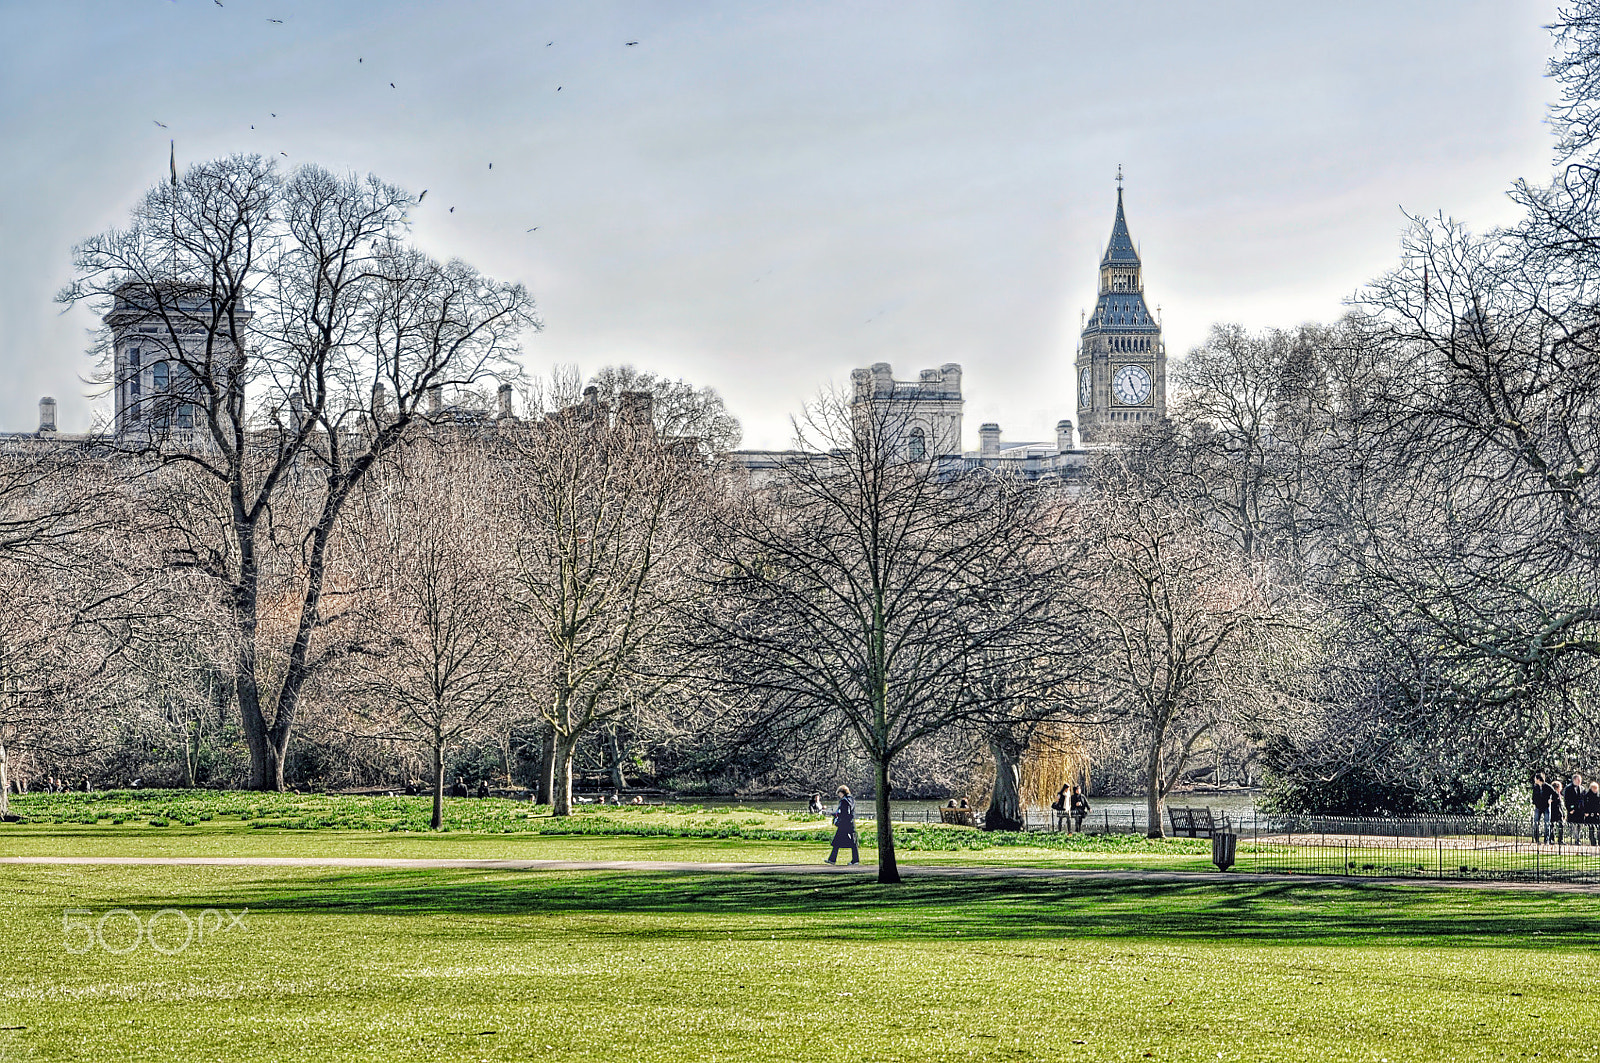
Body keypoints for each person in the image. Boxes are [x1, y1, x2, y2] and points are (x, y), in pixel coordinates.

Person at [825, 785, 859, 865]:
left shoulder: (844, 801)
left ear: (842, 792)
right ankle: (855, 860)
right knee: (853, 842)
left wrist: (836, 815)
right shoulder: (852, 799)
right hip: (850, 823)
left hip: (844, 824)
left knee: (837, 842)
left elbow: (843, 812)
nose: (839, 795)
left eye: (839, 793)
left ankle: (832, 859)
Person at [1533, 773, 1555, 844]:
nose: (1535, 780)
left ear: (1539, 779)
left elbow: (1555, 794)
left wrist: (1551, 800)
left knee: (1547, 824)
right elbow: (1533, 797)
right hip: (1538, 807)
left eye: (1536, 778)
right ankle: (1536, 839)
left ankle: (1547, 840)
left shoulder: (1548, 787)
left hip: (1546, 807)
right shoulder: (1535, 787)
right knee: (1536, 823)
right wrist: (1535, 802)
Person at [1565, 774, 1585, 841]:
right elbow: (1567, 800)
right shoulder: (1568, 788)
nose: (1580, 781)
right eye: (1578, 780)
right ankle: (1577, 839)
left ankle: (1578, 837)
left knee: (1580, 825)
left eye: (1580, 780)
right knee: (1574, 825)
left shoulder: (1582, 788)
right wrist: (1570, 809)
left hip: (1580, 810)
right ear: (1574, 780)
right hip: (1573, 810)